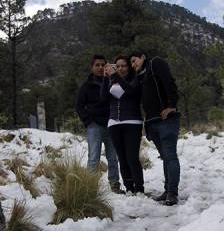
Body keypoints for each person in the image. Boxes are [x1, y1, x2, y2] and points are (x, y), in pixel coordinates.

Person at [130, 50, 180, 206]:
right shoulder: (140, 76)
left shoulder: (155, 63)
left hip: (166, 120)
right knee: (165, 157)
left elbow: (169, 82)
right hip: (152, 122)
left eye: (134, 60)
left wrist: (171, 105)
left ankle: (173, 192)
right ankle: (167, 190)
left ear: (143, 57)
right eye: (131, 63)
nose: (133, 65)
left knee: (170, 156)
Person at [76, 54, 124, 194]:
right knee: (93, 157)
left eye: (103, 65)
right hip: (94, 125)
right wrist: (88, 120)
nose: (100, 67)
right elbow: (79, 106)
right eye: (97, 65)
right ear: (92, 67)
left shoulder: (111, 82)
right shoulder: (86, 86)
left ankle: (115, 184)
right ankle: (90, 187)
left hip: (111, 124)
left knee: (113, 157)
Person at [101, 55, 144, 195]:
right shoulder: (111, 81)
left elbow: (130, 91)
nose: (120, 68)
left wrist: (116, 76)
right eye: (117, 66)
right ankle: (129, 187)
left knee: (132, 157)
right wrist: (105, 77)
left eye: (123, 66)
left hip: (132, 122)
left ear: (129, 67)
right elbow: (103, 96)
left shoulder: (135, 79)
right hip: (114, 122)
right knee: (122, 157)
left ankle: (139, 188)